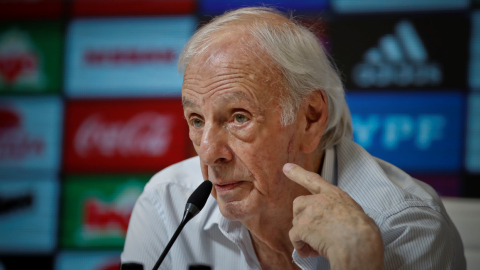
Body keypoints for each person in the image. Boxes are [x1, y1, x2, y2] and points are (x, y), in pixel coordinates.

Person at [121, 7, 465, 270]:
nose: (210, 154)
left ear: (310, 118)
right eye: (196, 120)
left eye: (239, 117)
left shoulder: (407, 228)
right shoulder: (166, 204)